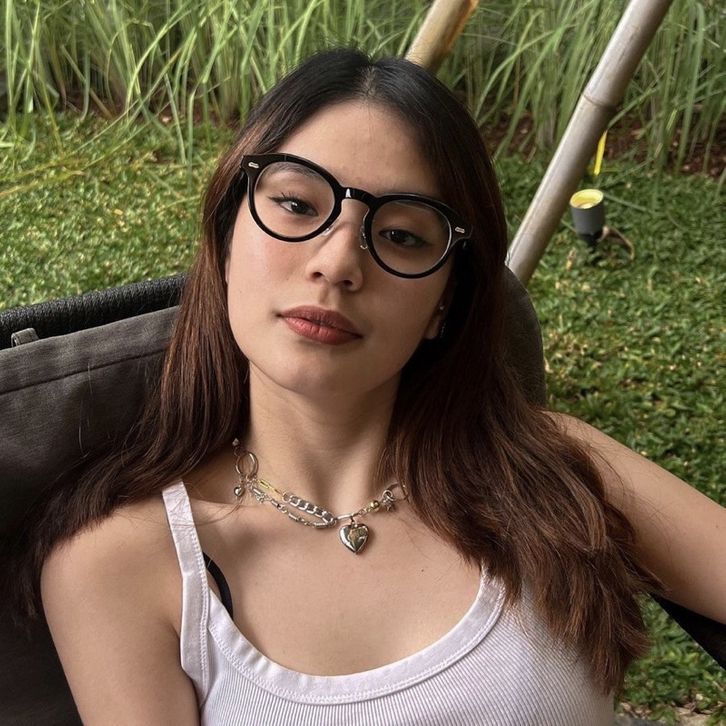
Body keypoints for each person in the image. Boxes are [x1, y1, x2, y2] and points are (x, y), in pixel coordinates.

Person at [16, 49, 724, 725]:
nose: (337, 263)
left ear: (445, 302)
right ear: (226, 238)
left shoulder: (554, 468)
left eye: (403, 237)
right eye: (297, 204)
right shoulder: (122, 563)